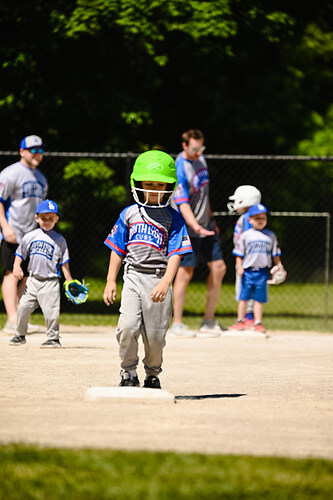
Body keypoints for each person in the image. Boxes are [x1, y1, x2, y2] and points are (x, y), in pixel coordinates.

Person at [103, 150, 192, 389]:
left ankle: (152, 373)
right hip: (132, 276)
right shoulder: (129, 213)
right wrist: (111, 280)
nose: (153, 189)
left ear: (169, 186)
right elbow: (117, 249)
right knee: (127, 326)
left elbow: (176, 254)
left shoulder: (174, 218)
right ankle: (128, 371)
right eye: (148, 183)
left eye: (159, 184)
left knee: (155, 336)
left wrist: (165, 282)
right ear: (138, 184)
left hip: (158, 279)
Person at [170, 129, 226, 338]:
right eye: (194, 148)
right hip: (186, 227)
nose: (198, 152)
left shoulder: (201, 160)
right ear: (184, 146)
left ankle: (208, 321)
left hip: (205, 225)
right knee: (185, 272)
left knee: (219, 268)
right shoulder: (179, 168)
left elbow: (204, 194)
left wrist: (210, 219)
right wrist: (195, 227)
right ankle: (177, 323)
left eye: (201, 148)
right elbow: (182, 203)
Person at [9, 199, 73, 348]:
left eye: (51, 218)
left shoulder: (60, 240)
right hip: (32, 280)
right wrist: (16, 266)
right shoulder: (30, 236)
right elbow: (20, 254)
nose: (47, 221)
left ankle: (53, 338)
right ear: (36, 218)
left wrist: (69, 280)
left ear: (57, 219)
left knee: (51, 311)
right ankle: (20, 335)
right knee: (23, 307)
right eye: (43, 218)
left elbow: (64, 262)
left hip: (50, 282)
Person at [0, 135, 48, 334]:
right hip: (14, 232)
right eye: (33, 150)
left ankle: (19, 318)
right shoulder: (10, 173)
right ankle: (11, 320)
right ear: (22, 152)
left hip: (32, 236)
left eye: (40, 150)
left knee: (28, 276)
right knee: (12, 274)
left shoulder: (41, 178)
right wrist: (5, 228)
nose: (38, 153)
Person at [229, 203, 285, 333]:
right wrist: (239, 267)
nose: (261, 221)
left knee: (259, 299)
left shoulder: (270, 236)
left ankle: (258, 322)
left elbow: (275, 254)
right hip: (247, 272)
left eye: (263, 218)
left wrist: (279, 266)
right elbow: (239, 254)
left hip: (263, 272)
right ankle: (240, 321)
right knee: (243, 298)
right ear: (250, 219)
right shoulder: (245, 236)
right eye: (257, 218)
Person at [227, 185, 262, 328]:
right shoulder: (247, 217)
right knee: (247, 287)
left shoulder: (248, 218)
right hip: (247, 259)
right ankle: (247, 318)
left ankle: (247, 318)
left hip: (246, 259)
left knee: (244, 287)